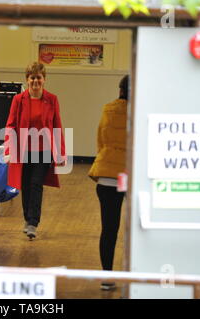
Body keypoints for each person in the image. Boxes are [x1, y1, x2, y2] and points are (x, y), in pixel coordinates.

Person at [4, 62, 66, 240]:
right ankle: (27, 218)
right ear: (27, 80)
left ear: (44, 79)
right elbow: (11, 125)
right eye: (32, 78)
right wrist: (8, 149)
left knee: (36, 185)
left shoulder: (52, 99)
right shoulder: (18, 100)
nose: (35, 81)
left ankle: (33, 222)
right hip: (23, 150)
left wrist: (60, 152)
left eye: (39, 77)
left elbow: (57, 126)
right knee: (25, 186)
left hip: (44, 150)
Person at [88, 75, 128, 290]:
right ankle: (135, 275)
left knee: (109, 229)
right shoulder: (139, 110)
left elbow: (100, 140)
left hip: (107, 177)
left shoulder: (108, 109)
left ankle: (106, 277)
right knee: (134, 230)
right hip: (129, 176)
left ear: (120, 90)